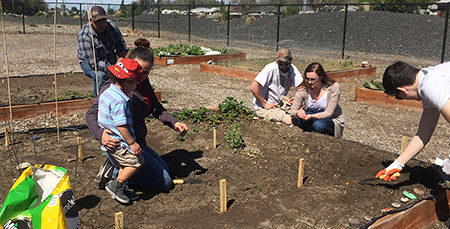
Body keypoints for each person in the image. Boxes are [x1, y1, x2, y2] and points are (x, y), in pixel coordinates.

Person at [86, 41, 188, 193]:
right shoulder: (114, 86)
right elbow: (91, 113)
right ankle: (115, 176)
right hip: (124, 146)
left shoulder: (142, 82)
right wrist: (100, 135)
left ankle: (117, 169)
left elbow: (155, 107)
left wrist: (174, 122)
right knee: (165, 182)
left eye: (146, 72)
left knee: (164, 170)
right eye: (139, 70)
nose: (141, 75)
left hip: (138, 144)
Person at [376, 61, 450, 181]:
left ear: (403, 90)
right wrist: (398, 164)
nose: (402, 99)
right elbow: (422, 134)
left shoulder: (430, 86)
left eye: (399, 97)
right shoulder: (426, 81)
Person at [99, 59, 145, 204]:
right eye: (135, 83)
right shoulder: (120, 100)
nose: (136, 86)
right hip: (118, 141)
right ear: (128, 81)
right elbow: (121, 126)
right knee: (135, 163)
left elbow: (110, 116)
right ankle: (116, 184)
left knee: (127, 165)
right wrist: (132, 143)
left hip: (109, 135)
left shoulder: (108, 92)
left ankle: (121, 186)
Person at [77, 5, 128, 98]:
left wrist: (121, 58)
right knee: (101, 75)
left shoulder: (111, 26)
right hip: (89, 62)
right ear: (90, 21)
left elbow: (120, 44)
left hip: (110, 58)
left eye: (103, 20)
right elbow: (94, 63)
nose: (102, 24)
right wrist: (113, 69)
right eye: (97, 21)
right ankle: (100, 101)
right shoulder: (85, 36)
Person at [290, 62, 344, 138]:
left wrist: (311, 116)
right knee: (302, 119)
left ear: (321, 77)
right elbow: (292, 111)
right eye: (307, 78)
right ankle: (309, 135)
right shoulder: (303, 89)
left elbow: (329, 113)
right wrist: (298, 112)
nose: (309, 82)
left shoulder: (333, 88)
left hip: (329, 119)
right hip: (310, 116)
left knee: (318, 125)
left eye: (313, 79)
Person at [250, 48, 303, 125]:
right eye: (280, 64)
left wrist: (297, 97)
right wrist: (264, 104)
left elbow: (301, 88)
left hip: (280, 104)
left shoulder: (293, 69)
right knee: (289, 119)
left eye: (286, 63)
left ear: (291, 60)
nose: (284, 66)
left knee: (301, 113)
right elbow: (253, 87)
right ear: (276, 60)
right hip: (263, 107)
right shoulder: (270, 69)